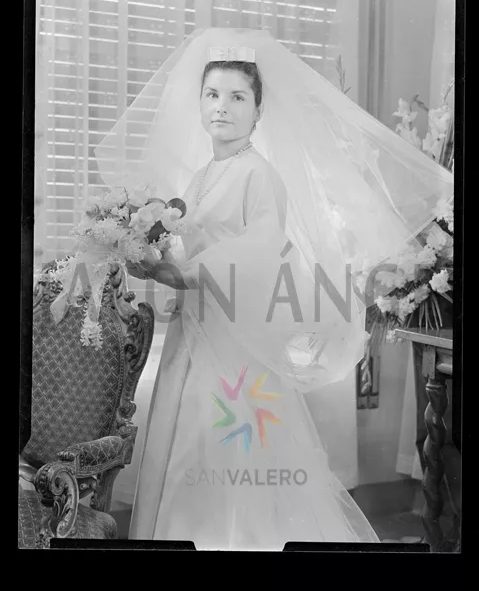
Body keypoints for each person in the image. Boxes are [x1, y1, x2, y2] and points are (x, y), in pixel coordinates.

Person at [94, 28, 453, 550]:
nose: (222, 107)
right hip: (192, 333)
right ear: (200, 103)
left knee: (225, 446)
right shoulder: (201, 176)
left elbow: (260, 249)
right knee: (180, 443)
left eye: (238, 97)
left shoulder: (259, 175)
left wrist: (185, 274)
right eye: (213, 94)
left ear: (258, 110)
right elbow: (189, 248)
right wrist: (154, 261)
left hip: (235, 338)